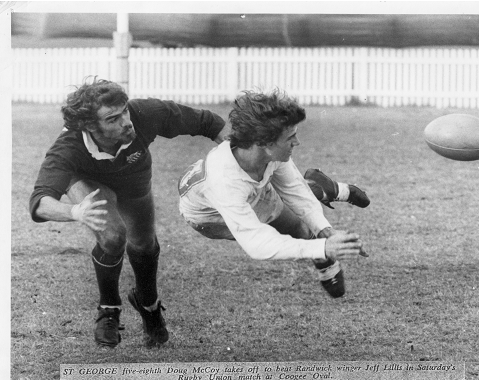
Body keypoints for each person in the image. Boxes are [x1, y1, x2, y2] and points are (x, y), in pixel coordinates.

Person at [29, 77, 230, 348]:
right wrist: (75, 211)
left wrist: (233, 159)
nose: (126, 121)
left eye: (124, 110)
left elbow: (209, 122)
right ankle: (108, 310)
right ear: (90, 126)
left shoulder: (143, 114)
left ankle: (149, 307)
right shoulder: (68, 147)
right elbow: (40, 201)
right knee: (112, 235)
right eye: (113, 118)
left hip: (134, 179)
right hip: (87, 181)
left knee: (145, 246)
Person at [178, 90, 370, 299]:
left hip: (253, 191)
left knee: (301, 228)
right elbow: (256, 244)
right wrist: (323, 247)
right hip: (209, 216)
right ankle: (320, 192)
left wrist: (325, 230)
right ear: (265, 143)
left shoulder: (269, 152)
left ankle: (321, 193)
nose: (297, 142)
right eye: (291, 137)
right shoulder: (225, 181)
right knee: (284, 234)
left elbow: (294, 190)